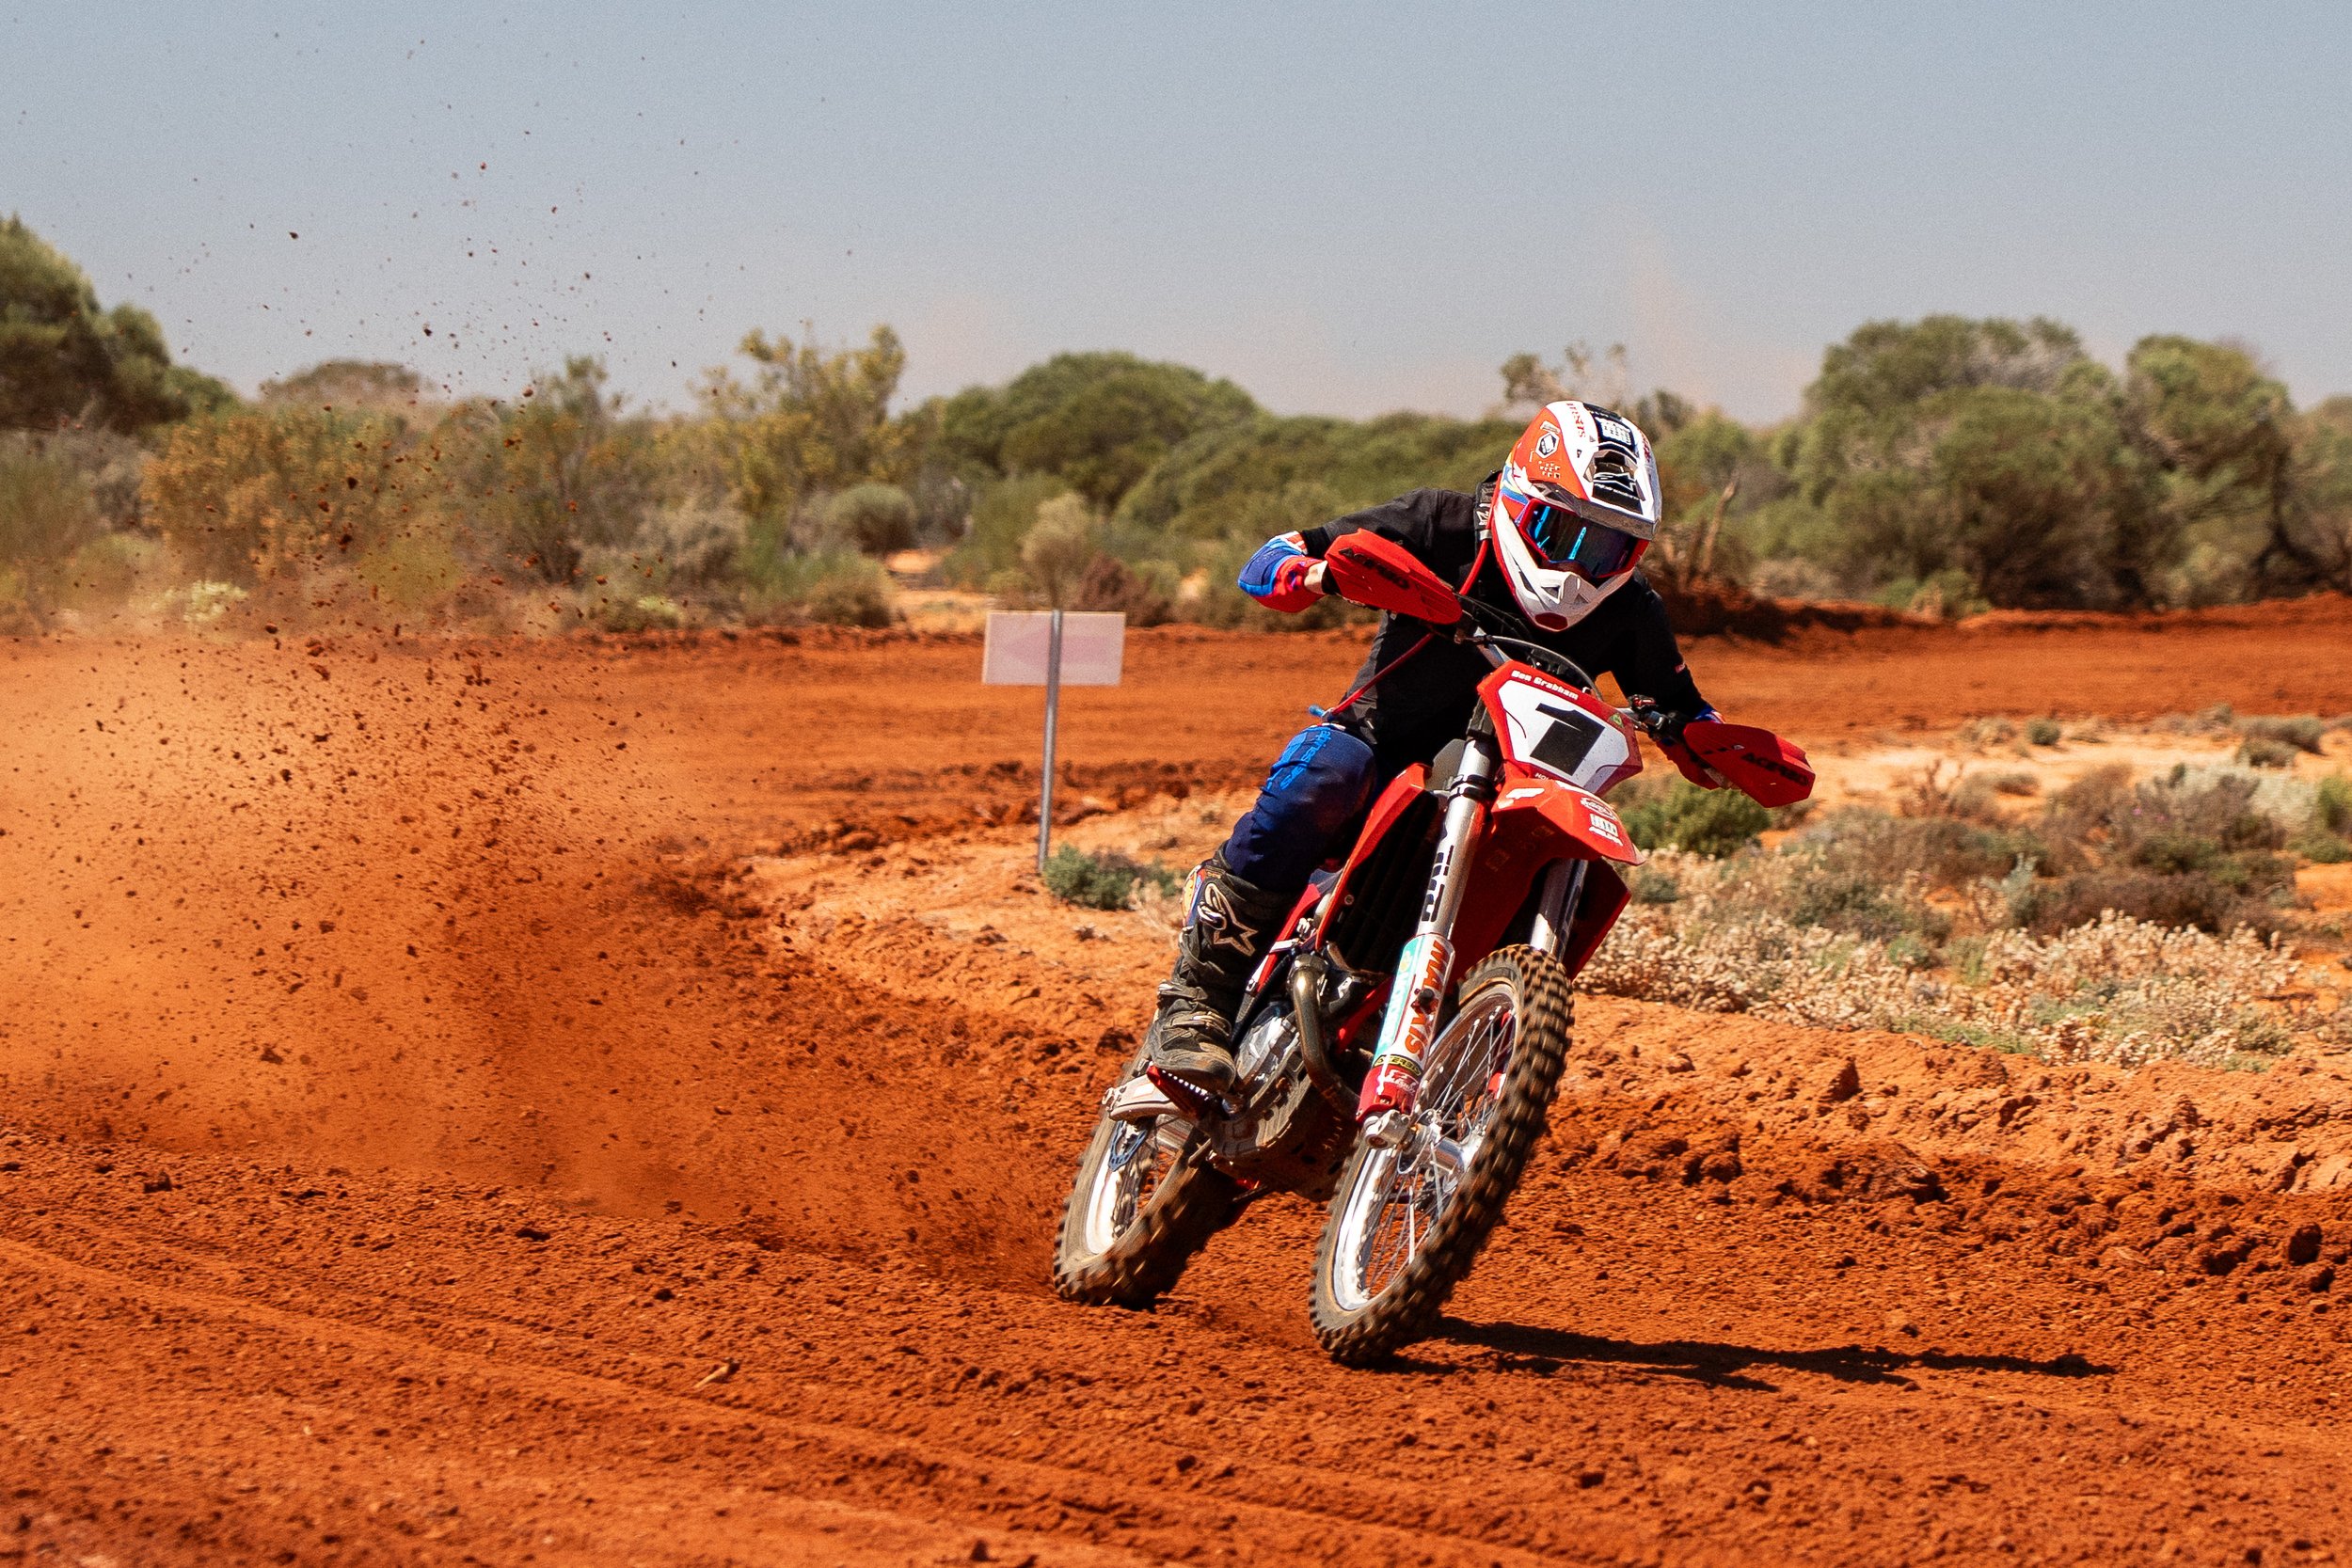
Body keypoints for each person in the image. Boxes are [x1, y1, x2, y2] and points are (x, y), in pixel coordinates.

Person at [1144, 399, 1723, 1108]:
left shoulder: (1632, 611)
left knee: (1569, 859)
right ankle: (1197, 1000)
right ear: (1517, 498)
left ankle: (1465, 1063)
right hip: (1382, 751)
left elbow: (1686, 706)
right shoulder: (1440, 524)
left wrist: (1710, 742)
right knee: (1325, 771)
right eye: (1561, 529)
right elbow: (1272, 556)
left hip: (1509, 787)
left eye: (1605, 548)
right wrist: (1313, 573)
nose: (1579, 566)